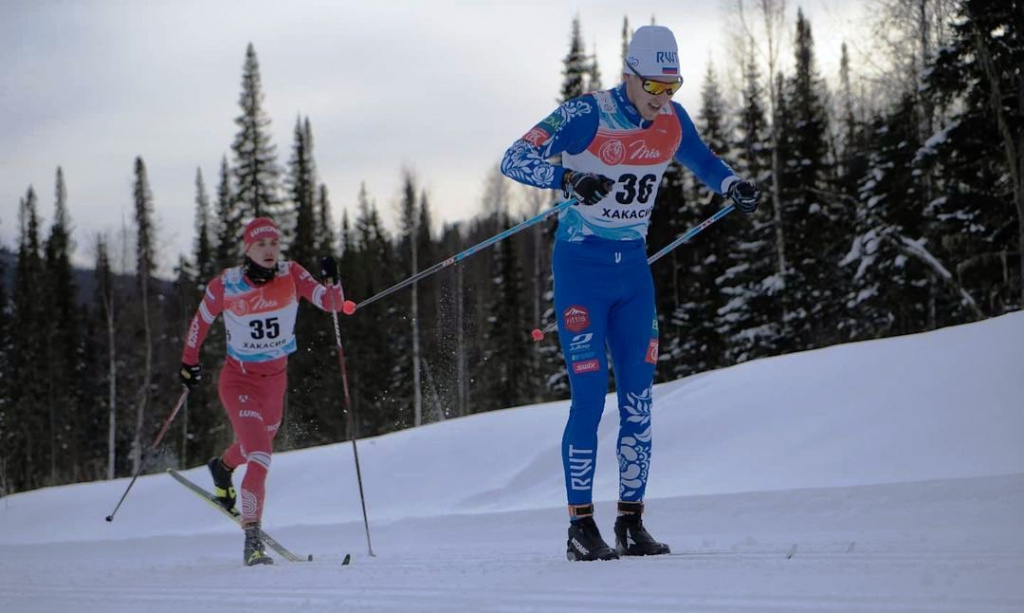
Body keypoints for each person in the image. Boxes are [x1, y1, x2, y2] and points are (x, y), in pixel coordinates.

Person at [500, 25, 760, 561]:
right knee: (592, 400)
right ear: (630, 75)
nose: (662, 98)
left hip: (633, 274)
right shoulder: (586, 115)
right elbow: (513, 159)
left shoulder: (671, 120)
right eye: (654, 86)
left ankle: (630, 522)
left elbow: (705, 161)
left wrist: (732, 184)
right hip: (581, 271)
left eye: (673, 86)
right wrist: (567, 181)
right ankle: (580, 527)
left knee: (639, 403)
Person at [178, 217, 346, 566]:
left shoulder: (293, 274)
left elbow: (330, 303)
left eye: (274, 242)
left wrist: (334, 279)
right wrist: (189, 363)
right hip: (239, 381)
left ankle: (222, 468)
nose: (269, 250)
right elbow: (200, 322)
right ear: (247, 249)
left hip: (276, 381)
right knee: (260, 455)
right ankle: (252, 540)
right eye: (261, 244)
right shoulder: (226, 285)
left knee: (256, 445)